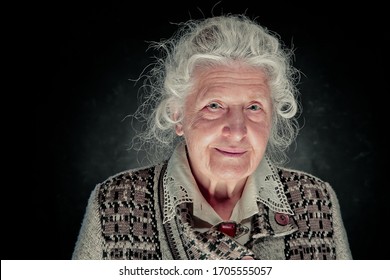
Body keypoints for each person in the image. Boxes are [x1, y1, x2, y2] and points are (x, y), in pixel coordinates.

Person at [72, 14, 352, 260]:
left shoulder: (316, 201)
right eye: (214, 106)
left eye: (254, 107)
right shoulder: (114, 203)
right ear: (178, 116)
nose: (238, 130)